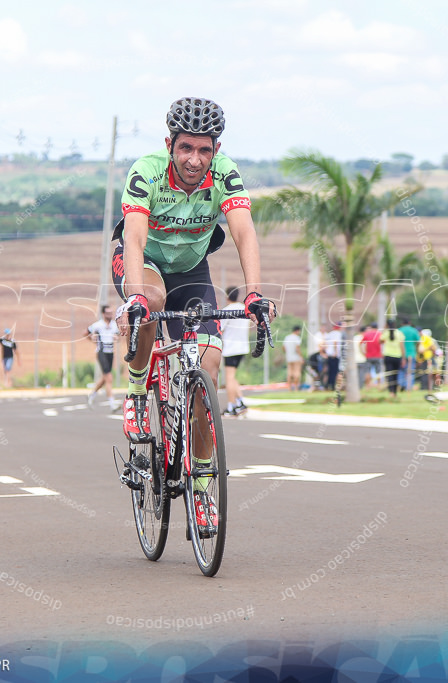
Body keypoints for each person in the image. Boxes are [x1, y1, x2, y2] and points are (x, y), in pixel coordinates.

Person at [111, 96, 275, 535]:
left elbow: (243, 230)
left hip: (192, 269)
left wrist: (255, 293)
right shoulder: (146, 171)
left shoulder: (225, 173)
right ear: (170, 144)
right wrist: (135, 298)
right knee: (154, 300)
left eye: (204, 150)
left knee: (208, 370)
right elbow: (134, 234)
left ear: (215, 149)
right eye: (186, 148)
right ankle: (136, 391)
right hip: (142, 263)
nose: (194, 159)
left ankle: (202, 488)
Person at [220, 287, 251, 416]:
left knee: (229, 378)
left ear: (227, 296)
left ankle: (231, 406)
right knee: (233, 377)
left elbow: (219, 328)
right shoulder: (244, 309)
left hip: (230, 348)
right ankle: (240, 402)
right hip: (243, 347)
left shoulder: (226, 311)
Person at [87, 305, 120, 411]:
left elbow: (118, 336)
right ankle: (112, 404)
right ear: (103, 314)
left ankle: (91, 395)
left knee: (104, 378)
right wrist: (92, 339)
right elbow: (86, 333)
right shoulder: (98, 325)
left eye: (111, 313)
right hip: (101, 352)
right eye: (108, 313)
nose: (110, 315)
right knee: (109, 378)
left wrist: (117, 338)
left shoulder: (114, 325)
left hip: (111, 353)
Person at [379, 319, 404, 397]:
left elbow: (379, 341)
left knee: (389, 374)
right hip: (397, 356)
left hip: (388, 356)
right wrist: (403, 357)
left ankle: (391, 392)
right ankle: (395, 392)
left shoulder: (386, 333)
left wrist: (384, 329)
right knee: (396, 375)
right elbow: (402, 346)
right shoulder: (399, 333)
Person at [399, 318, 420, 392]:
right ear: (410, 323)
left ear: (402, 323)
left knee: (401, 371)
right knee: (410, 371)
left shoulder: (399, 330)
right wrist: (416, 349)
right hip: (411, 354)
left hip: (400, 354)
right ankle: (408, 386)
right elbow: (418, 341)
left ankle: (401, 384)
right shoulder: (413, 330)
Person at [361, 323, 383, 387]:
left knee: (367, 371)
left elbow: (361, 343)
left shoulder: (367, 334)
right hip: (378, 356)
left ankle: (368, 386)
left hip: (369, 356)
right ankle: (379, 385)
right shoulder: (379, 334)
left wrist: (363, 352)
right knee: (378, 371)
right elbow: (383, 344)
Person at [306, 326, 328, 390]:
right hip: (315, 370)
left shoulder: (327, 355)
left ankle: (324, 386)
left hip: (323, 370)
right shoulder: (314, 355)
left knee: (324, 374)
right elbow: (311, 365)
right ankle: (315, 387)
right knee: (316, 375)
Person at [324, 322, 344, 390]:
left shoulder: (329, 334)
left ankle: (328, 385)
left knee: (330, 371)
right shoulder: (338, 334)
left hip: (329, 355)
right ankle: (332, 386)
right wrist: (335, 352)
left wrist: (326, 353)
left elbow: (325, 344)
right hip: (335, 355)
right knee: (334, 371)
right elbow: (335, 342)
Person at [283, 325, 303, 391]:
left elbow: (284, 348)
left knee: (289, 373)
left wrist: (287, 353)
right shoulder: (297, 338)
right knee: (297, 373)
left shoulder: (287, 337)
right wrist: (301, 357)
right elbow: (297, 348)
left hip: (289, 357)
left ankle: (289, 388)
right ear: (297, 331)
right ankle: (296, 388)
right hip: (296, 358)